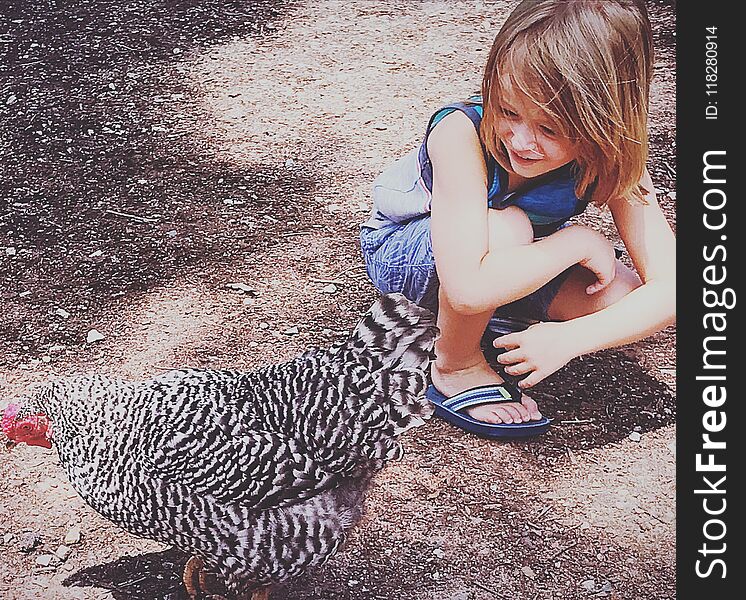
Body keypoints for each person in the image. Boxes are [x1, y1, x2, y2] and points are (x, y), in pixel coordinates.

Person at [359, 0, 676, 438]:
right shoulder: (460, 132)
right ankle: (455, 364)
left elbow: (674, 287)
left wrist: (570, 339)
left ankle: (495, 319)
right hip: (410, 256)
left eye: (551, 129)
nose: (521, 141)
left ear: (607, 123)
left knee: (623, 296)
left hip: (506, 260)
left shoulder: (613, 153)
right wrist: (577, 241)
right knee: (506, 227)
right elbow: (468, 288)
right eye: (508, 112)